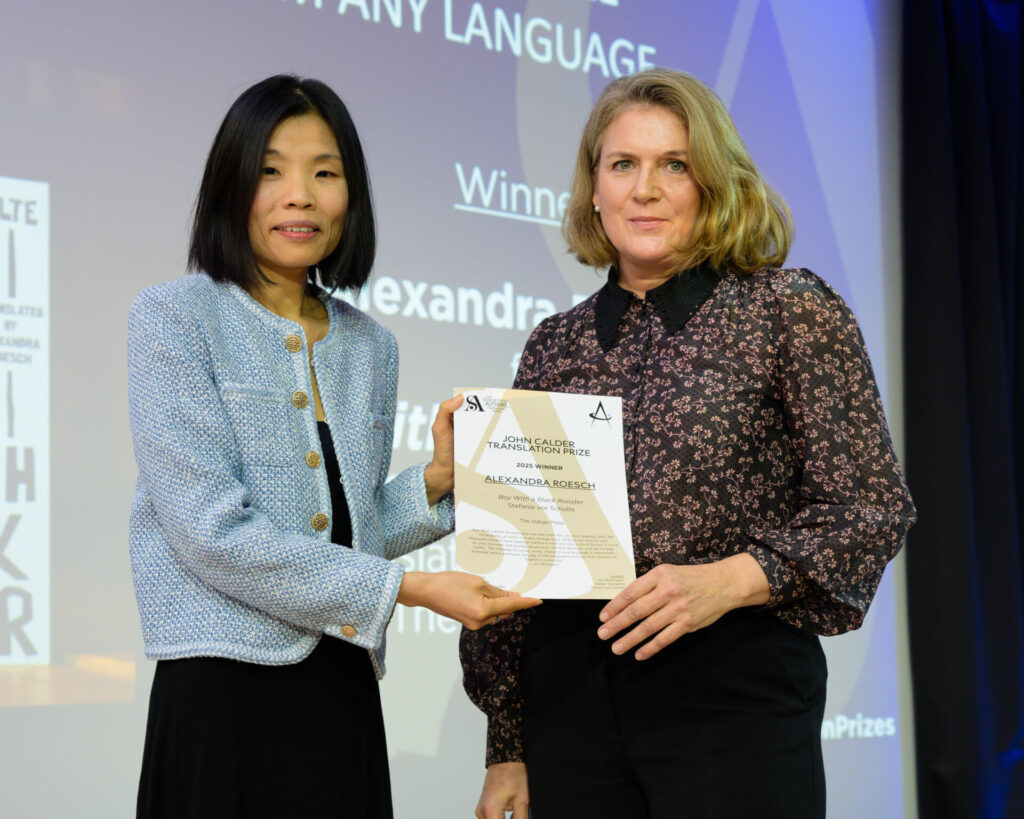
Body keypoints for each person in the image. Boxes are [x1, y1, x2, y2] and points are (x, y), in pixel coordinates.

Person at [460, 68, 916, 819]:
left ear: (713, 182)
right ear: (594, 189)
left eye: (675, 164)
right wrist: (507, 744)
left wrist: (729, 580)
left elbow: (868, 508)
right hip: (571, 707)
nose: (646, 188)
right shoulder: (554, 344)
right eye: (623, 165)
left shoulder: (787, 308)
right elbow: (524, 558)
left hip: (732, 694)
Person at [127, 75, 539, 818]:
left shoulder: (371, 345)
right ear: (232, 185)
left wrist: (441, 481)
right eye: (271, 170)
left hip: (340, 689)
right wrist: (406, 591)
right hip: (221, 695)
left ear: (352, 196)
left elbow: (351, 525)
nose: (300, 195)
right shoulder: (174, 319)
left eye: (326, 172)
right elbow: (209, 530)